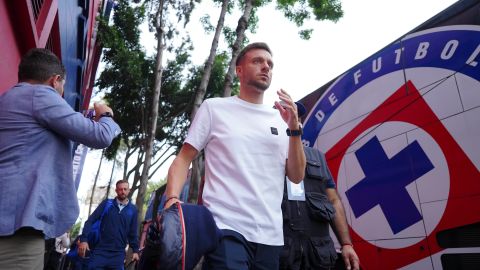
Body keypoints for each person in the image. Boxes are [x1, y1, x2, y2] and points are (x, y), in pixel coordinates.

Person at [164, 42, 306, 269]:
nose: (266, 67)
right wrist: (171, 199)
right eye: (257, 61)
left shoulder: (281, 120)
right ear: (239, 70)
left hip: (271, 235)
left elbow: (297, 176)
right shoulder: (214, 108)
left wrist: (294, 130)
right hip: (225, 227)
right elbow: (183, 159)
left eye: (270, 64)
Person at [0, 48, 121, 270]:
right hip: (17, 226)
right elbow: (100, 136)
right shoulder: (41, 95)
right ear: (55, 80)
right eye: (62, 88)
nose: (62, 95)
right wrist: (106, 115)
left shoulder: (8, 99)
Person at [280, 147, 360, 270]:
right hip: (283, 254)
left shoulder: (317, 156)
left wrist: (346, 244)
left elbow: (333, 200)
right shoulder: (269, 151)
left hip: (318, 254)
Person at [77, 180, 140, 269]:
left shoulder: (133, 210)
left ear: (129, 190)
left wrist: (135, 250)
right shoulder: (106, 204)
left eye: (125, 189)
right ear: (116, 190)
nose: (123, 191)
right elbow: (90, 221)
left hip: (118, 255)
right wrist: (83, 239)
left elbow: (133, 232)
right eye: (120, 189)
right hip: (100, 251)